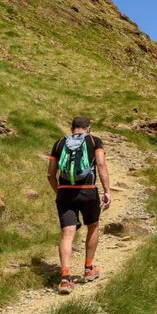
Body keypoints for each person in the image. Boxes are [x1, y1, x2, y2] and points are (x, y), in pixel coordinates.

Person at [48, 116, 110, 294]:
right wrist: (107, 191)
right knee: (93, 225)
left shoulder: (59, 143)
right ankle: (89, 268)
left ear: (71, 127)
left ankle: (65, 278)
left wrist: (59, 191)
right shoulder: (94, 140)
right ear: (88, 128)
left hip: (65, 192)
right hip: (88, 190)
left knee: (67, 234)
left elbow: (50, 174)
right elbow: (100, 164)